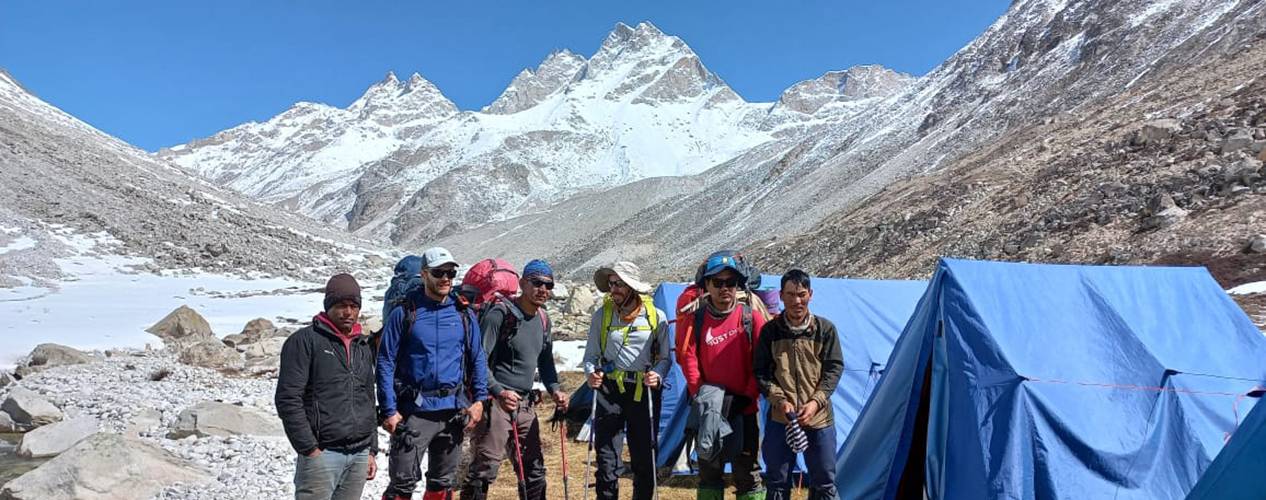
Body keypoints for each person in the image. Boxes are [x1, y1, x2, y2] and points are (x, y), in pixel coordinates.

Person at [377, 247, 488, 500]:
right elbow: (385, 362)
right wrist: (389, 409)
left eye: (451, 272)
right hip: (413, 412)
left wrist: (479, 400)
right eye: (439, 272)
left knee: (442, 483)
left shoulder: (464, 314)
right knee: (402, 485)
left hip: (452, 411)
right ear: (424, 274)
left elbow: (477, 357)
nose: (446, 278)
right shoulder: (404, 313)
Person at [460, 259, 568, 500]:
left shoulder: (543, 319)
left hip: (525, 403)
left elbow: (546, 363)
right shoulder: (500, 314)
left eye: (548, 285)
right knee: (484, 470)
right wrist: (499, 392)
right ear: (522, 283)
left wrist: (555, 390)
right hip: (495, 403)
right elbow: (479, 362)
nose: (543, 290)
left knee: (533, 470)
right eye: (537, 282)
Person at [276, 273, 379, 500]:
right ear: (328, 306)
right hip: (322, 453)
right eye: (341, 305)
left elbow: (368, 399)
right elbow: (288, 398)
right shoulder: (304, 341)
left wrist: (371, 449)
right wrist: (309, 448)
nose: (348, 312)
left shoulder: (362, 345)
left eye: (354, 306)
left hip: (359, 453)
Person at [676, 252, 768, 500]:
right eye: (718, 282)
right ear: (706, 285)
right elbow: (689, 360)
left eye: (731, 282)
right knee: (709, 472)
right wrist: (702, 394)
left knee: (747, 473)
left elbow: (762, 363)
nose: (725, 288)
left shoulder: (751, 318)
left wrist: (748, 396)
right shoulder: (696, 320)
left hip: (745, 410)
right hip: (708, 411)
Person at [583, 261, 672, 500]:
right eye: (612, 284)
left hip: (643, 392)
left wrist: (659, 374)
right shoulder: (602, 316)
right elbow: (590, 356)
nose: (614, 289)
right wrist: (591, 373)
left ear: (632, 287)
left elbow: (665, 358)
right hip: (609, 390)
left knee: (643, 458)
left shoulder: (656, 317)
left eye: (620, 284)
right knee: (607, 459)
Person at [753, 270, 844, 500]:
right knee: (777, 482)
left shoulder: (825, 330)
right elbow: (761, 372)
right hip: (781, 419)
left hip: (820, 418)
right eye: (791, 294)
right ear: (781, 296)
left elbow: (833, 369)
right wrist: (779, 400)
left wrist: (816, 402)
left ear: (810, 295)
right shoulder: (769, 332)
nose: (796, 301)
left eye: (802, 294)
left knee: (824, 481)